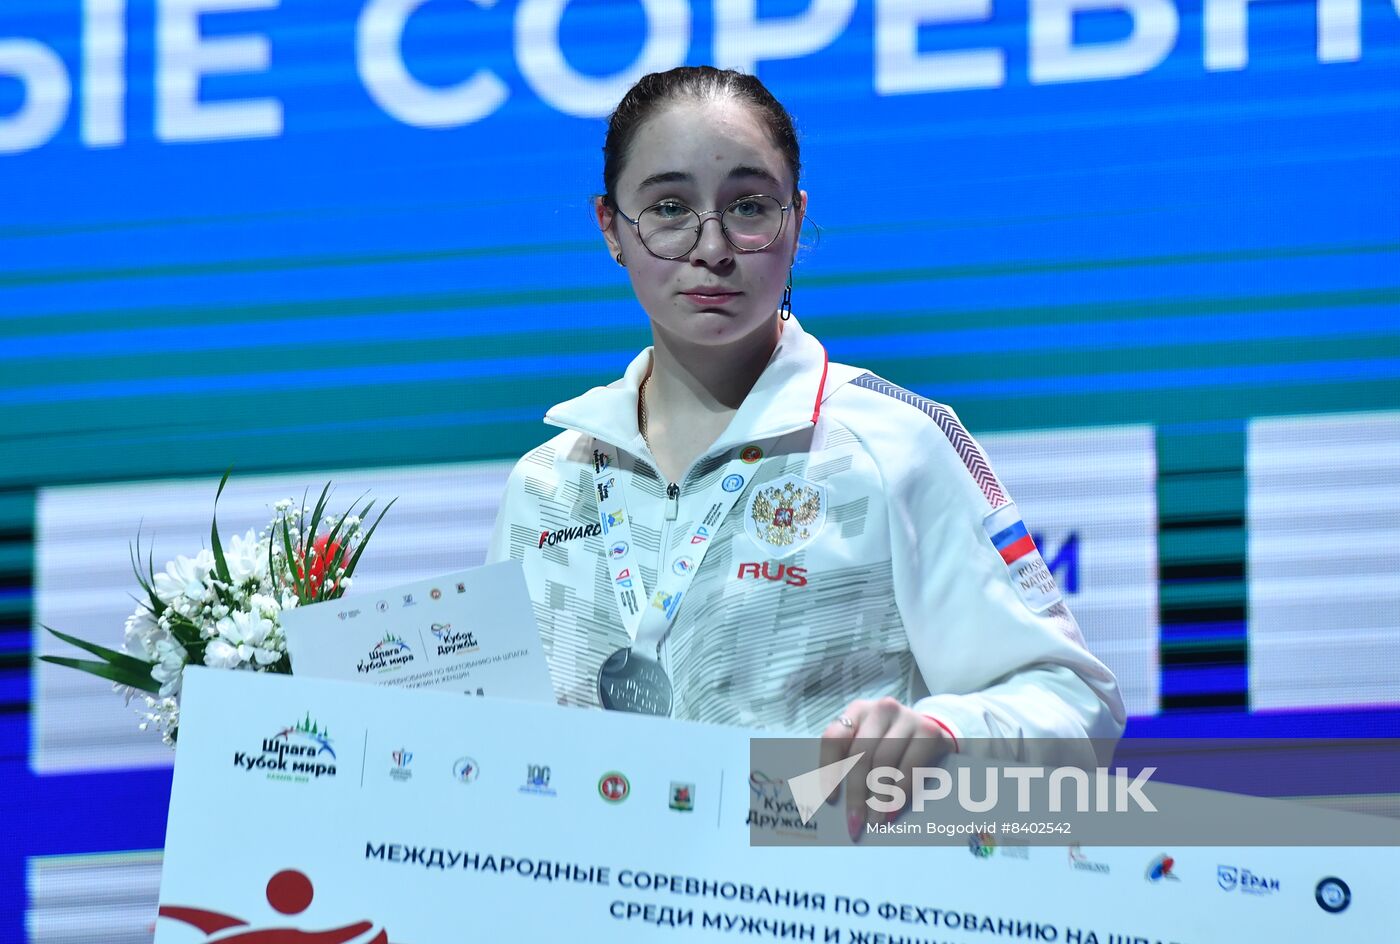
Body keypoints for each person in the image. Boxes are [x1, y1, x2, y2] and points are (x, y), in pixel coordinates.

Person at [486, 66, 1124, 840]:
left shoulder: (896, 441)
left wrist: (950, 735)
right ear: (611, 228)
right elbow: (487, 757)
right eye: (668, 209)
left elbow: (1072, 701)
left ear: (796, 220)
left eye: (749, 207)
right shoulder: (546, 484)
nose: (711, 248)